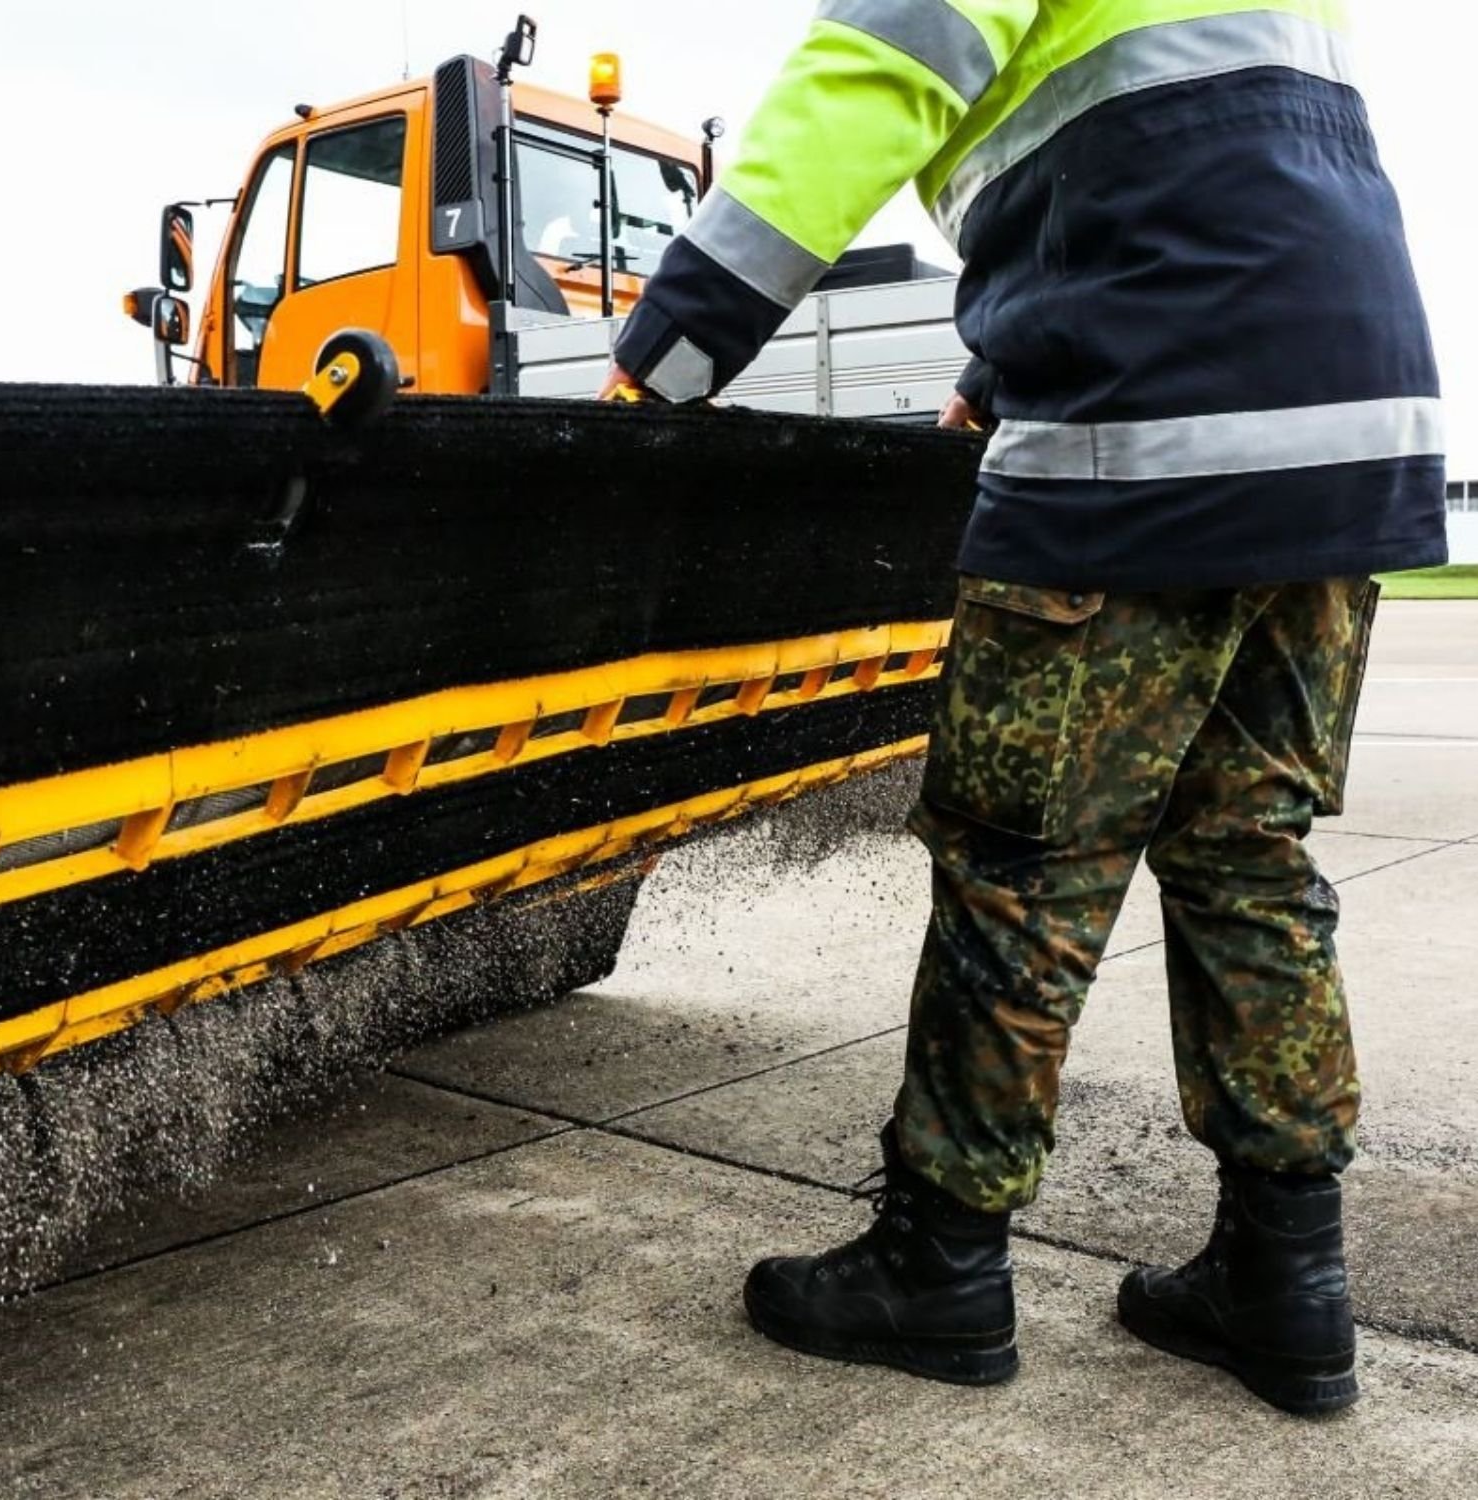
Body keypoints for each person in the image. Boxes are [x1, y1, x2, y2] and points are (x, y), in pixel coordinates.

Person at [601, 0, 1446, 1416]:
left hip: (1152, 435)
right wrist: (997, 374)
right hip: (1348, 426)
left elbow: (872, 80)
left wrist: (667, 355)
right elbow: (1197, 172)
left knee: (1023, 867)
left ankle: (940, 1265)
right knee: (1251, 857)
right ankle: (1287, 1285)